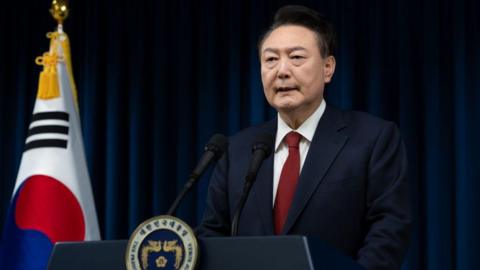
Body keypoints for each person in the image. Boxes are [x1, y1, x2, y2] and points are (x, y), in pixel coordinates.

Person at [197, 5, 411, 270]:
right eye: (270, 60)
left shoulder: (373, 138)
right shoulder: (236, 150)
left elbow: (389, 230)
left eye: (296, 57)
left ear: (328, 68)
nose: (282, 71)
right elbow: (213, 235)